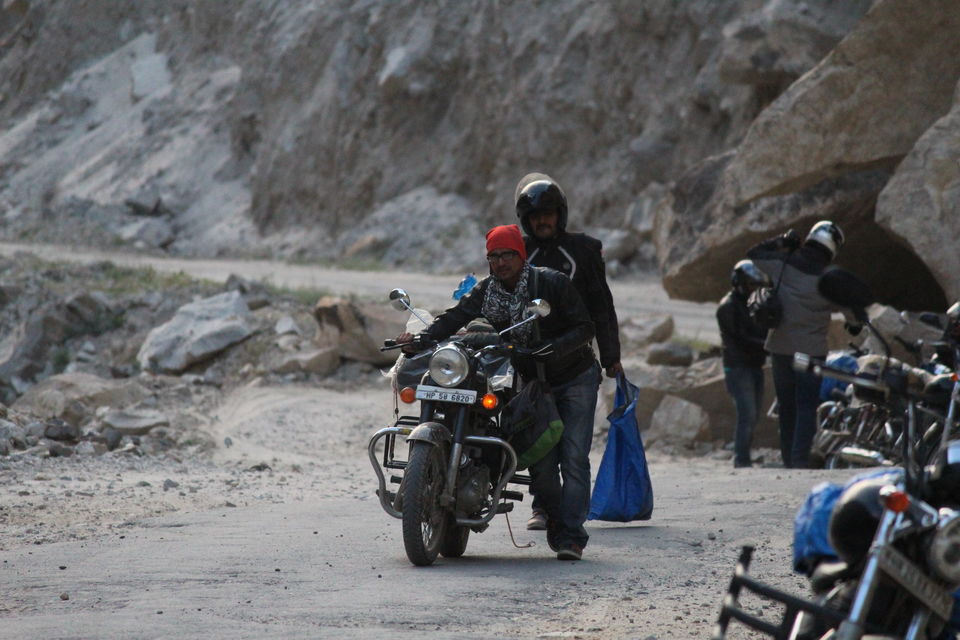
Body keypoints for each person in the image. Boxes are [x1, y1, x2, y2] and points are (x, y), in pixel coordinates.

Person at [396, 224, 601, 560]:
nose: (501, 262)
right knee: (542, 459)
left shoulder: (550, 282)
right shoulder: (487, 291)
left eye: (508, 254)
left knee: (574, 458)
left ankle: (571, 537)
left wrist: (553, 347)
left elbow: (585, 327)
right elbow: (457, 316)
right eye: (494, 256)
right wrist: (422, 338)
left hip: (574, 376)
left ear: (521, 255)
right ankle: (555, 523)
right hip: (532, 380)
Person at [514, 173, 622, 530]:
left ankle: (571, 530)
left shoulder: (584, 250)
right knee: (539, 446)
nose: (542, 220)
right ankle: (543, 507)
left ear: (560, 214)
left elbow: (601, 305)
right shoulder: (517, 253)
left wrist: (611, 357)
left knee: (574, 454)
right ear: (526, 220)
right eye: (535, 216)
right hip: (531, 371)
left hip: (576, 366)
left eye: (548, 213)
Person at [747, 220, 858, 469]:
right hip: (811, 352)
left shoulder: (782, 264)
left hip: (780, 348)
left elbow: (753, 254)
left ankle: (788, 459)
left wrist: (781, 241)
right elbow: (853, 313)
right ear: (833, 246)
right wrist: (854, 324)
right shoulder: (830, 279)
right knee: (807, 405)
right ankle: (799, 460)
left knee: (786, 406)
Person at [716, 260, 770, 468]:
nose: (753, 290)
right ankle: (741, 459)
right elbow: (740, 338)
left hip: (754, 365)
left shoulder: (751, 304)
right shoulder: (728, 307)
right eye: (750, 285)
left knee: (754, 413)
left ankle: (744, 455)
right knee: (747, 414)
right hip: (738, 367)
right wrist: (767, 345)